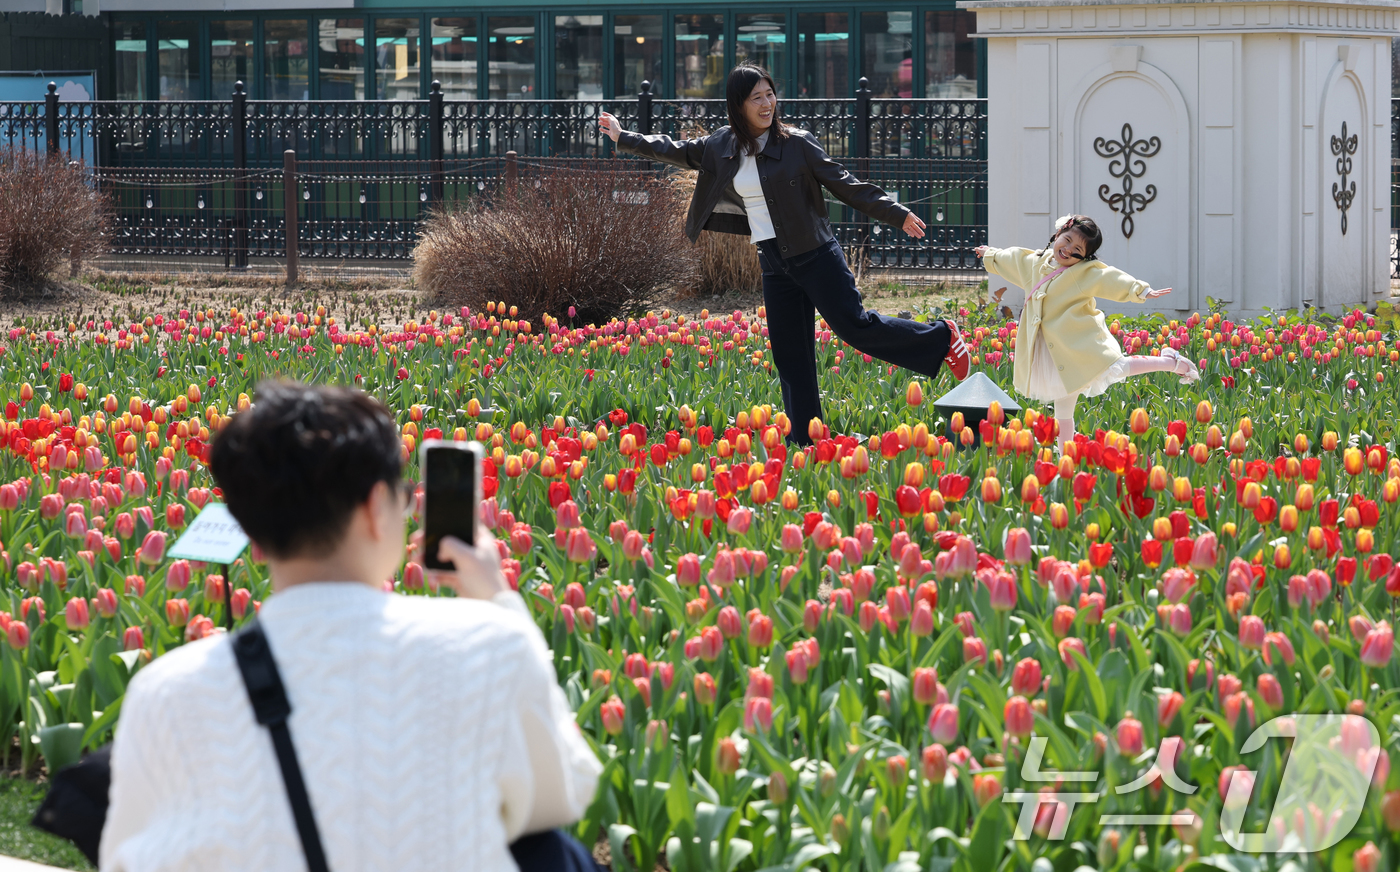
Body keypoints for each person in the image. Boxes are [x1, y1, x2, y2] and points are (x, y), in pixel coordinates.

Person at [100, 381, 601, 872]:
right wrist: (496, 598)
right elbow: (567, 794)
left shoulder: (163, 693)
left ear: (248, 526)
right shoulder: (489, 648)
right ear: (373, 507)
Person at [599, 64, 971, 446]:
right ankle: (807, 441)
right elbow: (676, 151)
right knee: (790, 356)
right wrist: (623, 136)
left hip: (816, 255)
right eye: (756, 97)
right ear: (738, 105)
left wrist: (896, 213)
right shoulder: (723, 145)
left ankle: (942, 338)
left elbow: (846, 185)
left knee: (856, 327)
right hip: (774, 263)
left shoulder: (797, 143)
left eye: (769, 94)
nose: (766, 104)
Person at [975, 214, 1200, 454]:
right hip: (1049, 351)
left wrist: (1140, 290)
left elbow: (1109, 278)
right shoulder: (1035, 263)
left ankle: (1172, 362)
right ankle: (1066, 460)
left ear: (1084, 257)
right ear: (1058, 234)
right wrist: (990, 254)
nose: (1068, 250)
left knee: (1119, 368)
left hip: (1077, 345)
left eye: (1077, 249)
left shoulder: (1083, 273)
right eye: (1067, 240)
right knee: (1063, 410)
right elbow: (1013, 259)